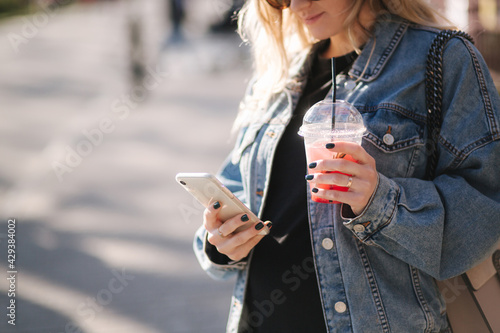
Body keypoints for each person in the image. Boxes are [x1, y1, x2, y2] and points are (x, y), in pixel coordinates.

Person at [193, 0, 500, 332]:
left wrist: (379, 201)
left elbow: (486, 209)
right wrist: (220, 242)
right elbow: (238, 187)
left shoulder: (442, 56)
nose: (296, 5)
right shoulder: (278, 76)